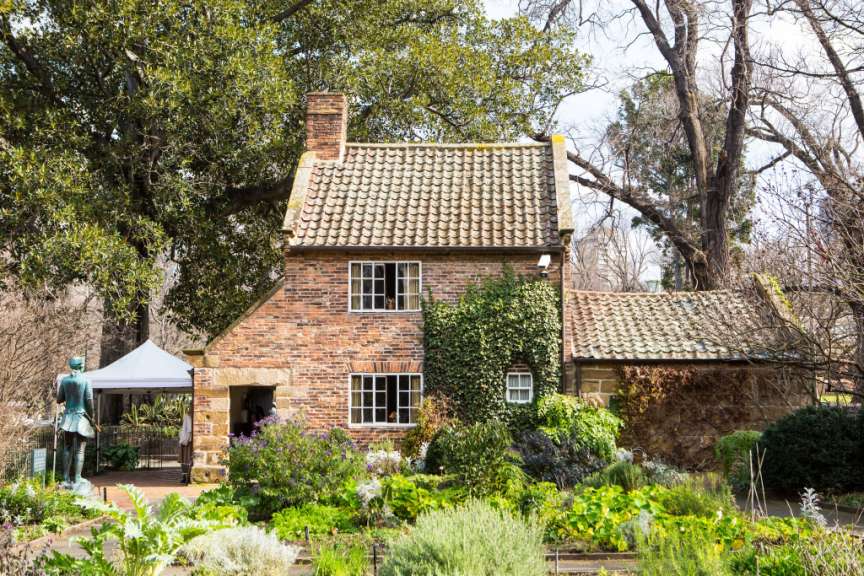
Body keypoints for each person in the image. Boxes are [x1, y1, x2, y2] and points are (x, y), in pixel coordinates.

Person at [57, 357, 95, 494]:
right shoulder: (86, 380)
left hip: (67, 418)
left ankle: (66, 477)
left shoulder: (65, 380)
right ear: (81, 366)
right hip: (81, 418)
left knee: (67, 447)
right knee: (79, 449)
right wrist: (92, 417)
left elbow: (59, 399)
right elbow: (89, 401)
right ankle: (77, 478)